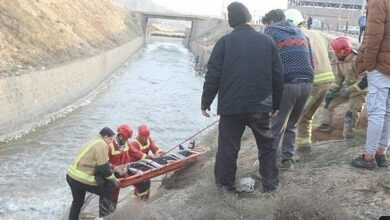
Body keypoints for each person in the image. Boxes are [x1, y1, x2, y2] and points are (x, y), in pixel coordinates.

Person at [202, 2, 284, 193]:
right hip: (260, 104)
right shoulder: (267, 41)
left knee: (227, 149)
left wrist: (206, 102)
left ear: (231, 22)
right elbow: (278, 75)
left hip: (231, 107)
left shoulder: (224, 43)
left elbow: (212, 75)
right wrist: (276, 103)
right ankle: (271, 185)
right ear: (249, 18)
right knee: (267, 146)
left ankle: (225, 188)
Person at [262, 9, 314, 171]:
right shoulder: (301, 33)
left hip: (287, 84)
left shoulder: (270, 31)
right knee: (292, 124)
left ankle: (269, 167)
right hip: (307, 84)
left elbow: (265, 61)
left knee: (277, 126)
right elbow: (311, 62)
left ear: (270, 21)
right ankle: (287, 161)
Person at [284, 9, 335, 151]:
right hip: (328, 80)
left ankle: (285, 154)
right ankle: (305, 147)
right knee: (307, 116)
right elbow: (331, 53)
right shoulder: (318, 34)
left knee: (292, 118)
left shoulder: (297, 36)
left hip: (312, 82)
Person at [352, 0, 390, 170]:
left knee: (376, 111)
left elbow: (374, 35)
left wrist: (368, 64)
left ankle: (369, 158)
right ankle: (381, 153)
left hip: (381, 65)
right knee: (388, 112)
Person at [316, 37, 367, 139]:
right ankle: (325, 124)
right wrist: (331, 90)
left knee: (350, 114)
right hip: (346, 88)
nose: (335, 53)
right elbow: (338, 78)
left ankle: (348, 136)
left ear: (343, 51)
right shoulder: (338, 59)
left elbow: (365, 81)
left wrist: (349, 90)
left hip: (359, 91)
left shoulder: (357, 59)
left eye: (336, 51)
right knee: (329, 102)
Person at [66, 127, 119, 220]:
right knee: (108, 189)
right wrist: (113, 179)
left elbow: (96, 162)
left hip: (71, 176)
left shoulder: (93, 141)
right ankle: (104, 217)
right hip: (82, 177)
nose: (111, 142)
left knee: (77, 201)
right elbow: (104, 168)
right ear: (105, 137)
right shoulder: (102, 144)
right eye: (111, 139)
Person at [127, 124, 165, 200]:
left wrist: (159, 153)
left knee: (146, 182)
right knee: (142, 184)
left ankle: (142, 199)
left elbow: (154, 148)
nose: (144, 139)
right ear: (139, 135)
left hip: (143, 167)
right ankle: (141, 200)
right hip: (133, 169)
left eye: (146, 137)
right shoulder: (134, 144)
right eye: (142, 137)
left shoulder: (149, 140)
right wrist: (149, 157)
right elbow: (137, 153)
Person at [108, 124, 133, 209]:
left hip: (119, 174)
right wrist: (115, 168)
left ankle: (112, 213)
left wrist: (148, 156)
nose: (127, 141)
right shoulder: (110, 146)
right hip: (110, 175)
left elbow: (134, 152)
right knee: (108, 198)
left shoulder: (126, 144)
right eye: (126, 139)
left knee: (114, 197)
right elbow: (104, 162)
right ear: (121, 137)